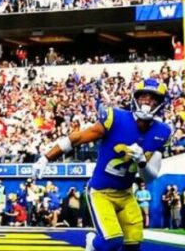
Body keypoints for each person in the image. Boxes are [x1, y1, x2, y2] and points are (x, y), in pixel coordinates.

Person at [34, 79, 172, 251]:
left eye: (153, 99)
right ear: (135, 98)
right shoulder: (116, 118)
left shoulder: (163, 131)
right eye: (144, 97)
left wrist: (141, 160)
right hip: (101, 192)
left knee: (133, 244)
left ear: (160, 104)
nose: (147, 102)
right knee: (112, 241)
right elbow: (78, 138)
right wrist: (46, 157)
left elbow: (150, 177)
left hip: (127, 194)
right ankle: (91, 243)